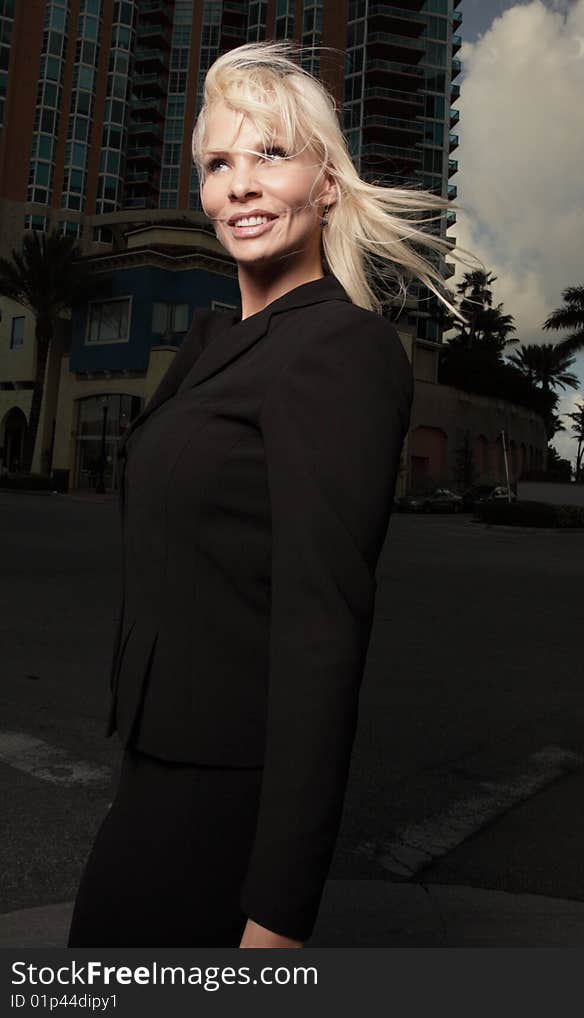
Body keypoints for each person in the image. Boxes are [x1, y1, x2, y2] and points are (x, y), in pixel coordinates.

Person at [67, 40, 478, 948]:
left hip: (229, 788)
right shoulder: (212, 343)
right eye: (219, 163)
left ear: (327, 184)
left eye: (271, 155)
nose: (240, 185)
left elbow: (322, 628)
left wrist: (278, 916)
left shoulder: (342, 350)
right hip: (156, 759)